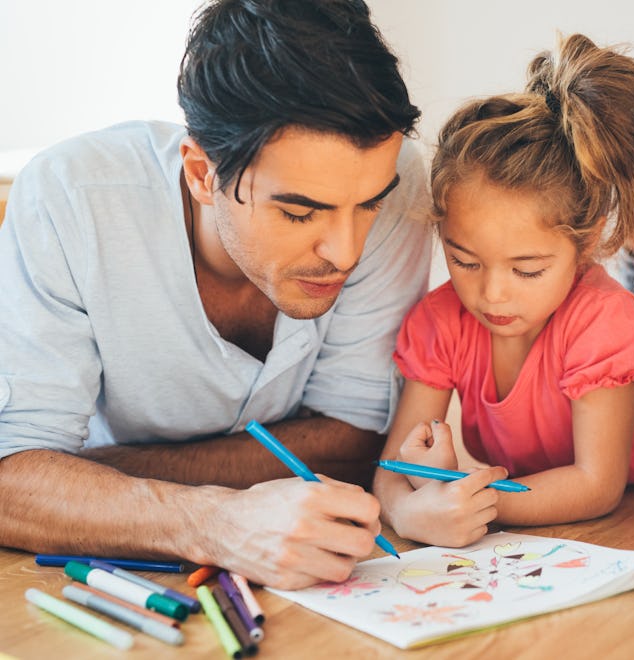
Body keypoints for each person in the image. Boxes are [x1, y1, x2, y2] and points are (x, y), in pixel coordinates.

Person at [0, 0, 432, 589]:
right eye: (301, 212)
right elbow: (12, 484)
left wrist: (86, 481)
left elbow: (354, 440)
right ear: (203, 175)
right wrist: (213, 520)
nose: (347, 251)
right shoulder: (70, 199)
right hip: (99, 583)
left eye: (370, 206)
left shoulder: (399, 181)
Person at [373, 33, 634, 548]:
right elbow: (388, 471)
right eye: (463, 260)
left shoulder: (604, 323)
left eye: (528, 270)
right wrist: (409, 511)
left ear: (587, 244)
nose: (492, 294)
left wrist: (470, 504)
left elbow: (596, 485)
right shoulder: (440, 322)